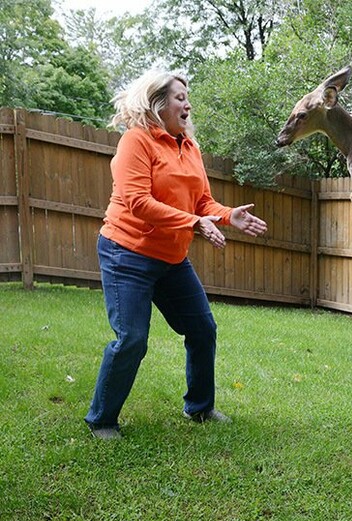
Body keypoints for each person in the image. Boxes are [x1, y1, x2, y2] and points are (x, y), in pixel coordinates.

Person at [85, 70, 268, 439]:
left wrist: (227, 215)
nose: (187, 104)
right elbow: (138, 202)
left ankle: (199, 408)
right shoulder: (136, 142)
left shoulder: (189, 146)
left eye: (187, 97)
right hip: (127, 254)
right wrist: (195, 222)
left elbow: (202, 201)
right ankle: (102, 419)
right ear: (157, 103)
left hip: (170, 257)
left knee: (202, 328)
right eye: (179, 97)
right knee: (132, 339)